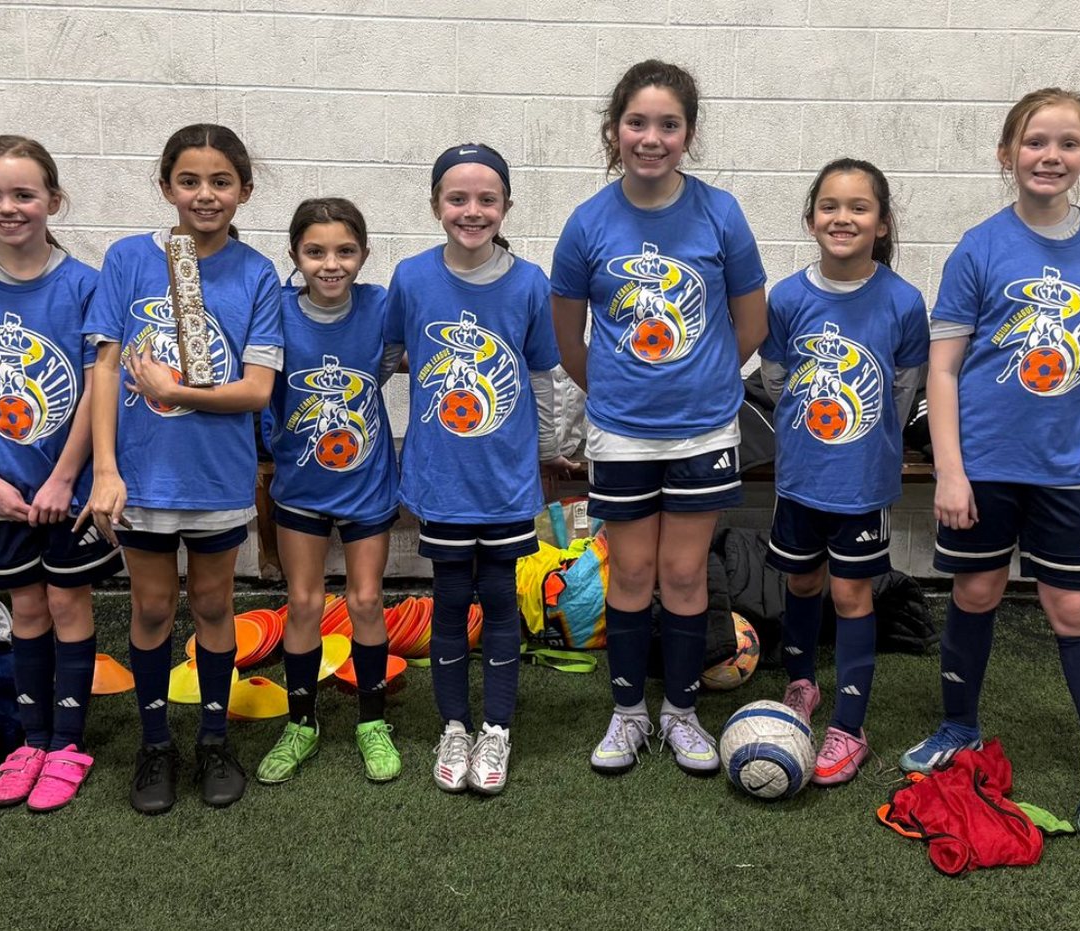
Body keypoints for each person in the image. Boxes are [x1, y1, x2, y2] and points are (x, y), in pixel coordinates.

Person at [904, 88, 1080, 844]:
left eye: (1068, 143)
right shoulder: (979, 246)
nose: (1050, 156)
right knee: (974, 591)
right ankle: (958, 726)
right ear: (1007, 154)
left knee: (1074, 610)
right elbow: (944, 370)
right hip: (984, 465)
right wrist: (950, 470)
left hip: (1071, 471)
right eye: (1035, 141)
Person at [550, 60, 767, 777]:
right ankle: (627, 714)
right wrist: (621, 393)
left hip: (705, 429)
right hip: (621, 432)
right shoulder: (587, 223)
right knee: (632, 573)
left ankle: (679, 712)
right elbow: (568, 340)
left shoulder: (720, 213)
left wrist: (700, 382)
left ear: (688, 134)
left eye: (668, 125)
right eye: (637, 123)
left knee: (682, 573)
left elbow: (751, 322)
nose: (652, 138)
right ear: (614, 131)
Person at [80, 124, 283, 813]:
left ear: (244, 191)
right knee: (151, 607)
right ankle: (155, 743)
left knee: (214, 605)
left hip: (216, 476)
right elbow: (105, 366)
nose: (205, 194)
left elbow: (256, 390)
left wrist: (177, 392)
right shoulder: (130, 259)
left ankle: (214, 738)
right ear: (166, 186)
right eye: (189, 181)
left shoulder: (256, 273)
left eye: (221, 181)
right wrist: (105, 469)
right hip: (142, 476)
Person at [0, 135, 119, 813]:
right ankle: (33, 740)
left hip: (68, 492)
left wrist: (64, 478)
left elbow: (99, 386)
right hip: (2, 493)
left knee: (68, 605)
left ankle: (68, 742)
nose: (7, 207)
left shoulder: (85, 284)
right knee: (28, 609)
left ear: (53, 201)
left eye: (23, 194)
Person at [387, 143, 560, 796]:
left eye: (487, 199)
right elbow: (384, 357)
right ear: (436, 204)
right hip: (442, 479)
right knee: (451, 602)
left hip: (506, 482)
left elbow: (542, 376)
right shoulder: (411, 277)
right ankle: (455, 726)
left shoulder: (530, 282)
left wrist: (551, 448)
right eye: (457, 198)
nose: (472, 210)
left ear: (506, 205)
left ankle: (497, 729)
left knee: (501, 601)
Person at [757, 158, 928, 786]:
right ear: (810, 219)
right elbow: (776, 378)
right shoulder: (787, 297)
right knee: (802, 583)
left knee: (852, 595)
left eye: (859, 207)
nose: (843, 217)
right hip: (801, 478)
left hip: (862, 483)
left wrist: (865, 440)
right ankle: (801, 685)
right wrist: (814, 432)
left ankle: (849, 727)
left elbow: (904, 389)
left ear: (881, 224)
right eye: (829, 205)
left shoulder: (903, 301)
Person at [256, 198, 403, 785]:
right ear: (295, 255)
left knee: (366, 601)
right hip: (299, 487)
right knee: (303, 604)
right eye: (315, 252)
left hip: (366, 484)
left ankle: (372, 722)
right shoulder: (275, 311)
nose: (331, 263)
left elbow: (390, 365)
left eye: (345, 250)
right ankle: (301, 724)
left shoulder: (381, 306)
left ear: (364, 254)